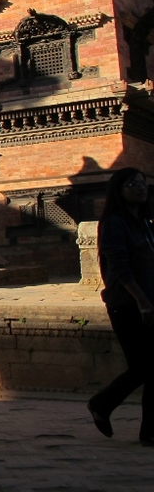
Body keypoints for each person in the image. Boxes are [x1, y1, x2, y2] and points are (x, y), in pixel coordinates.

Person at [87, 167, 154, 445]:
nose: (140, 188)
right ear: (119, 190)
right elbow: (120, 267)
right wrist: (142, 301)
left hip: (148, 302)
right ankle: (102, 403)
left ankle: (109, 408)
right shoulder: (114, 223)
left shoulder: (144, 223)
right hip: (127, 305)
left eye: (143, 183)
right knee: (144, 367)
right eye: (133, 184)